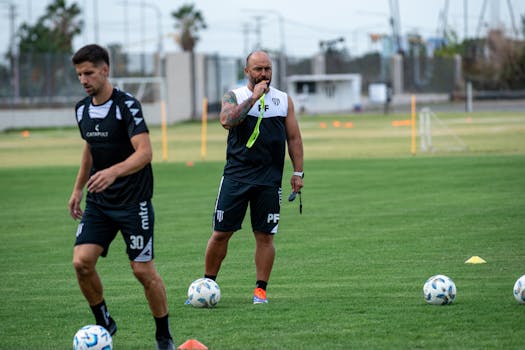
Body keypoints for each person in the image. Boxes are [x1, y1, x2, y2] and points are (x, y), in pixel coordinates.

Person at [68, 44, 175, 350]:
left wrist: (113, 172)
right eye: (79, 74)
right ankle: (104, 322)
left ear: (105, 70)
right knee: (81, 262)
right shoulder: (81, 109)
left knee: (142, 271)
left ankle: (163, 335)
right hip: (99, 203)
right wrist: (77, 189)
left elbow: (145, 153)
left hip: (133, 202)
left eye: (89, 73)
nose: (84, 79)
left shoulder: (127, 105)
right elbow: (89, 147)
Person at [203, 50, 304, 304]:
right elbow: (226, 120)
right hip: (236, 178)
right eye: (258, 69)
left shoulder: (283, 100)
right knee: (221, 233)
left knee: (265, 236)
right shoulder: (234, 95)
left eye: (267, 69)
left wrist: (298, 172)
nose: (264, 74)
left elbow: (293, 138)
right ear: (246, 71)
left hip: (269, 181)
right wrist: (252, 99)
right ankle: (207, 284)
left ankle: (260, 290)